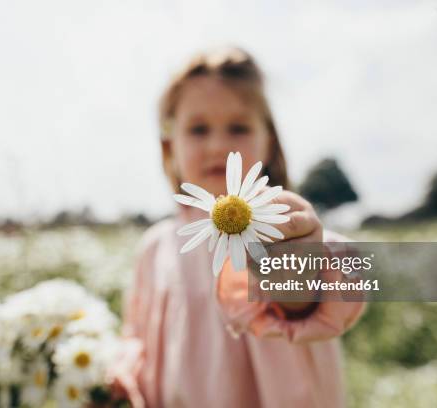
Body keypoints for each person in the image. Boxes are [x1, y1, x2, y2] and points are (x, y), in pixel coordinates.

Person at [111, 47, 365, 408]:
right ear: (170, 147)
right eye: (198, 129)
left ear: (269, 142)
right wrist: (120, 381)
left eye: (239, 127)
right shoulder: (154, 248)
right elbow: (136, 338)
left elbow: (321, 289)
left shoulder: (285, 229)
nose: (218, 145)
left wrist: (296, 273)